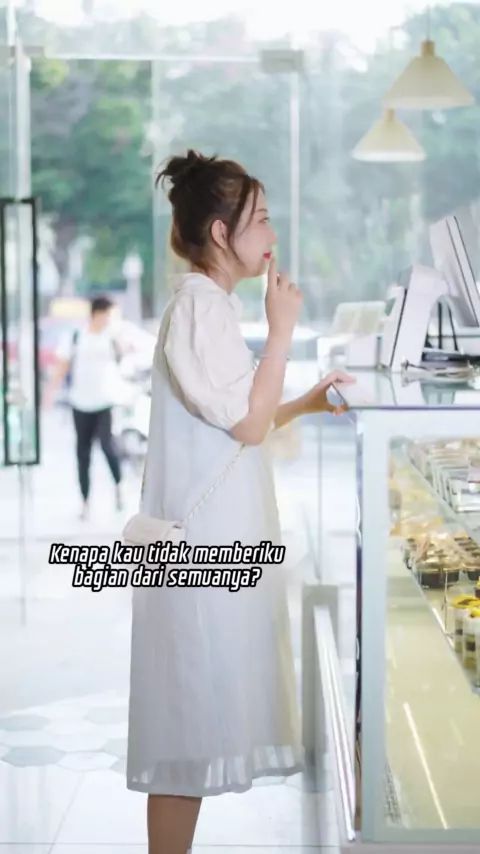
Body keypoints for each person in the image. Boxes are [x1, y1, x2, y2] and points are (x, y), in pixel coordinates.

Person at [126, 149, 354, 854]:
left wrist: (304, 403)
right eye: (260, 220)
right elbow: (248, 426)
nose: (272, 235)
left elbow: (239, 420)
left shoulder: (209, 307)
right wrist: (280, 329)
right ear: (221, 233)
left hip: (210, 554)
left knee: (190, 733)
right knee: (184, 736)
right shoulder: (201, 308)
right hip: (198, 559)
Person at [45, 295, 124, 519]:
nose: (107, 319)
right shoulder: (76, 337)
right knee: (83, 453)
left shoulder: (111, 337)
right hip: (80, 402)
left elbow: (125, 356)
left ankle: (118, 488)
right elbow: (62, 366)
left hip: (104, 402)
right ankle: (85, 501)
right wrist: (50, 393)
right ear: (96, 313)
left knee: (108, 447)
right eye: (106, 314)